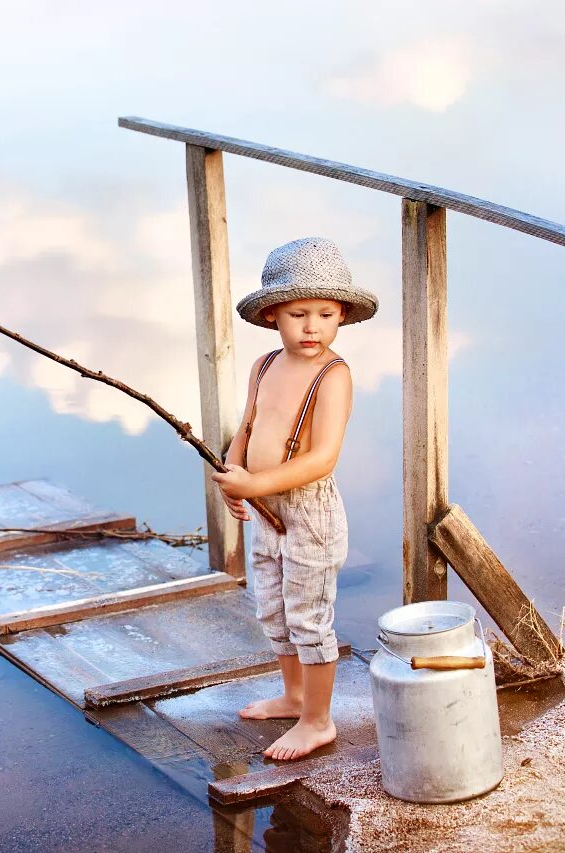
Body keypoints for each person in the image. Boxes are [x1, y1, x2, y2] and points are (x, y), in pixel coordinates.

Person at [211, 236, 378, 761]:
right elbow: (247, 427)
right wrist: (234, 474)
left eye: (325, 314)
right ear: (271, 317)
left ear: (342, 316)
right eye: (298, 313)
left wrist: (254, 485)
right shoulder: (264, 365)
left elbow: (322, 458)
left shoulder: (333, 376)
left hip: (310, 512)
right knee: (274, 609)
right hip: (265, 510)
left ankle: (318, 720)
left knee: (309, 616)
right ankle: (294, 695)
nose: (312, 327)